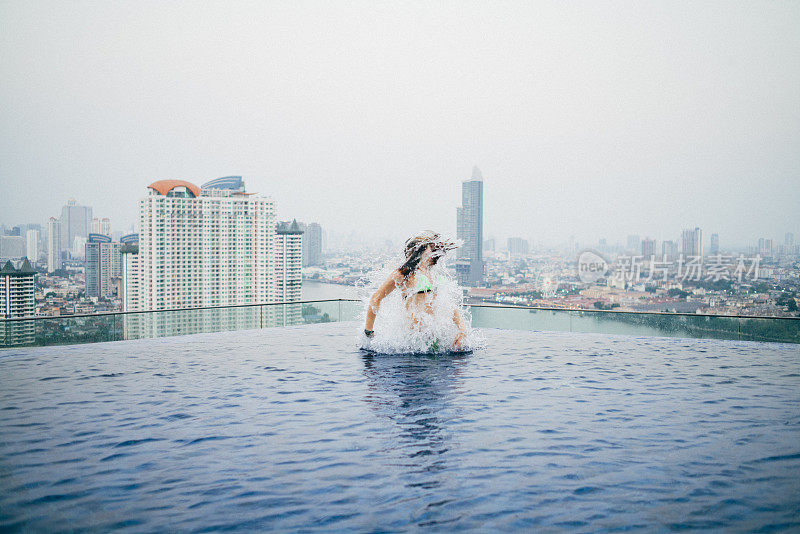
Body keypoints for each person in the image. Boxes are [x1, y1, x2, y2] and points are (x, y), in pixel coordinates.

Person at [364, 231, 468, 351]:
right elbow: (376, 298)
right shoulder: (404, 274)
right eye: (431, 247)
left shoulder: (432, 273)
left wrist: (462, 330)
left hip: (437, 337)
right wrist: (369, 332)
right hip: (414, 341)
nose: (435, 251)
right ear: (420, 250)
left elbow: (448, 305)